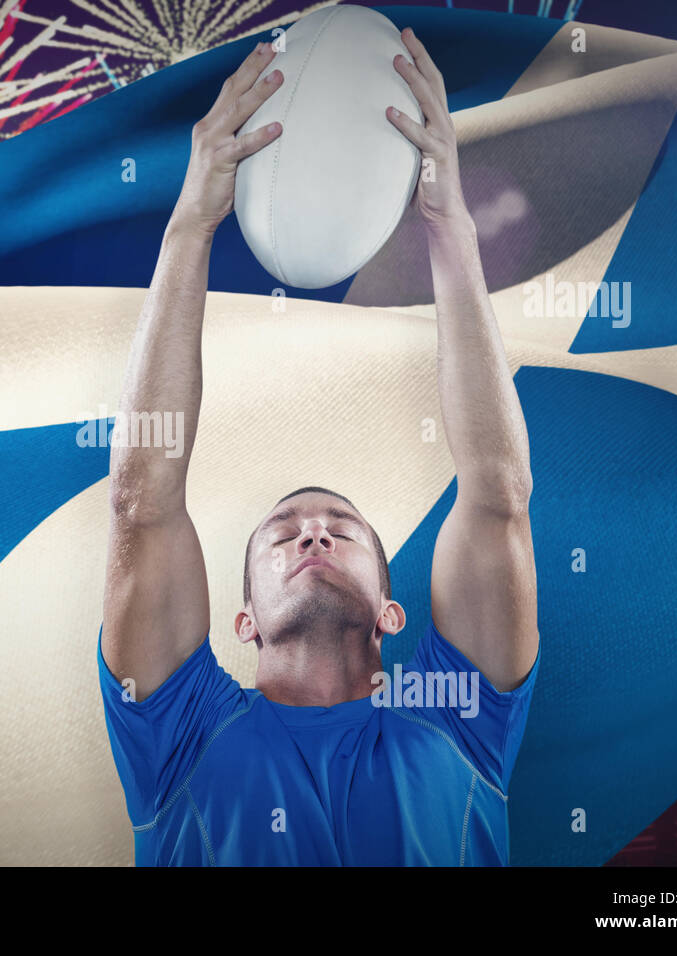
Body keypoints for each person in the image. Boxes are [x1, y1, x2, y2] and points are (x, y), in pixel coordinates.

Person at [98, 29, 540, 866]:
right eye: (283, 534)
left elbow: (497, 492)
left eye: (341, 527)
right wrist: (190, 227)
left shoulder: (460, 722)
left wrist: (449, 226)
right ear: (243, 623)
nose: (311, 532)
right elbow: (140, 504)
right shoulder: (179, 734)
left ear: (390, 611)